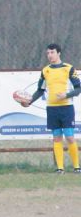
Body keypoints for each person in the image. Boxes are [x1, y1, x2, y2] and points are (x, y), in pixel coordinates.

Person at [21, 43, 81, 174]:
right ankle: (60, 168)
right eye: (48, 53)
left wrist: (66, 94)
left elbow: (78, 88)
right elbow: (40, 90)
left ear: (59, 53)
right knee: (56, 137)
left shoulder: (69, 68)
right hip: (52, 109)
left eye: (52, 52)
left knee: (70, 137)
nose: (49, 55)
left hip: (66, 108)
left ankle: (77, 167)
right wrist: (29, 102)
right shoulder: (45, 70)